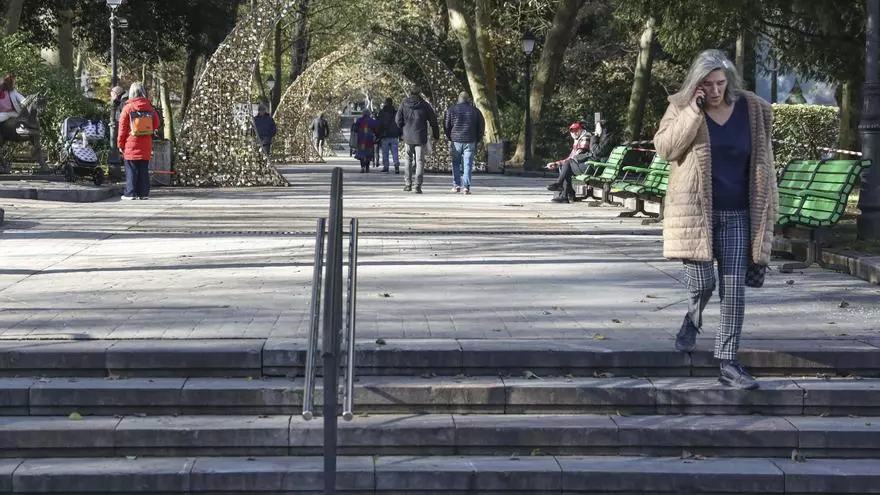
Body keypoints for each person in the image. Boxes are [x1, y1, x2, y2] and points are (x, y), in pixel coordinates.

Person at [653, 49, 777, 390]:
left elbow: (765, 161)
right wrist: (693, 110)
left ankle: (728, 362)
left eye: (720, 82)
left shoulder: (753, 110)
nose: (715, 90)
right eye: (707, 83)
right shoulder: (681, 106)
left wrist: (768, 214)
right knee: (704, 284)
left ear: (729, 81)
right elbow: (665, 149)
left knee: (734, 289)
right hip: (696, 213)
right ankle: (692, 319)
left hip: (738, 213)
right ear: (697, 83)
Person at [117, 82, 161, 200]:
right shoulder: (149, 107)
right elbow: (157, 123)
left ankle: (130, 193)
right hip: (146, 142)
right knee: (143, 169)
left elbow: (122, 128)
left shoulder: (128, 108)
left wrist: (120, 144)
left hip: (131, 142)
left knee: (131, 169)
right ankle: (143, 193)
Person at [395, 85, 440, 194]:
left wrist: (402, 129)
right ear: (420, 93)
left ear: (410, 92)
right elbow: (433, 121)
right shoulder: (425, 105)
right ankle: (417, 186)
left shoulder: (404, 103)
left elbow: (397, 119)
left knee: (408, 160)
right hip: (420, 137)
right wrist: (436, 135)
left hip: (408, 137)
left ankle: (407, 184)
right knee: (420, 161)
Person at [444, 91, 485, 195]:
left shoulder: (451, 110)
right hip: (470, 140)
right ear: (468, 100)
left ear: (459, 99)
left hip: (456, 140)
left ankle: (456, 185)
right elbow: (481, 127)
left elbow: (446, 125)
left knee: (456, 163)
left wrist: (450, 137)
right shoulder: (476, 111)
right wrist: (477, 139)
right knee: (467, 164)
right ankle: (466, 187)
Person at [545, 122, 591, 203]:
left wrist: (558, 163)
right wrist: (556, 163)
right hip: (580, 164)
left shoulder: (585, 137)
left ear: (581, 130)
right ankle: (567, 194)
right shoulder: (577, 140)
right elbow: (571, 158)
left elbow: (576, 156)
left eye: (576, 130)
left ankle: (561, 189)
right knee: (566, 167)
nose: (574, 133)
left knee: (567, 165)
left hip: (586, 166)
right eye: (572, 131)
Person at [377, 97, 402, 174]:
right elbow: (399, 124)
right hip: (394, 135)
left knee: (385, 152)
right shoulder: (396, 113)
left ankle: (386, 167)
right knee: (395, 152)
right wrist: (400, 134)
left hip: (385, 135)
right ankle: (396, 165)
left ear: (386, 103)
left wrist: (378, 134)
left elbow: (379, 124)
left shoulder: (382, 113)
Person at [353, 109, 379, 173]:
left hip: (361, 139)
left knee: (362, 153)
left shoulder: (359, 120)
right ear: (369, 114)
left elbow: (355, 129)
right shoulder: (372, 121)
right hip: (369, 139)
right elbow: (376, 129)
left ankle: (362, 167)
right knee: (368, 153)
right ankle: (367, 168)